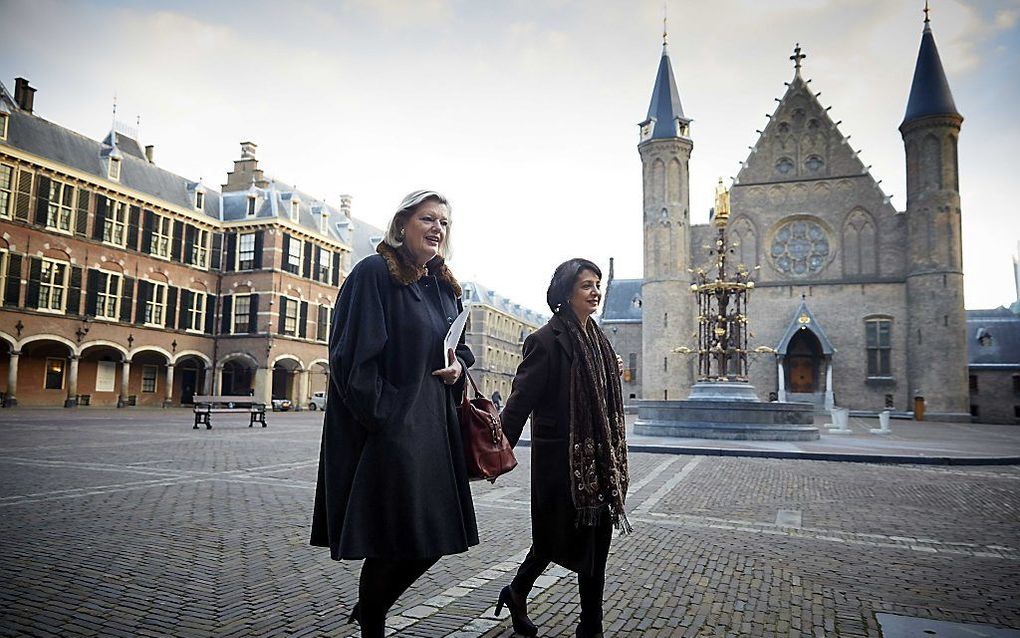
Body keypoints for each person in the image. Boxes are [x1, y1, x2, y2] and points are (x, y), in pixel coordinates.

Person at [310, 190, 477, 638]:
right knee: (392, 540)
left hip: (435, 431)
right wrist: (384, 415)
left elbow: (461, 350)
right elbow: (349, 358)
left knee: (433, 536)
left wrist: (458, 366)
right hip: (390, 432)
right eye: (427, 218)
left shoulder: (444, 286)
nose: (438, 228)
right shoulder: (374, 274)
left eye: (444, 221)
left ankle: (369, 608)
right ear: (402, 225)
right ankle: (374, 625)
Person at [497, 258, 630, 638]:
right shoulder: (544, 340)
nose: (595, 291)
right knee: (554, 540)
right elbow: (519, 403)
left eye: (597, 284)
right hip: (561, 464)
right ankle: (519, 592)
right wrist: (498, 451)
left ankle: (589, 625)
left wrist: (609, 371)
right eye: (587, 285)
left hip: (599, 462)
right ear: (566, 292)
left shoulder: (599, 341)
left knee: (594, 540)